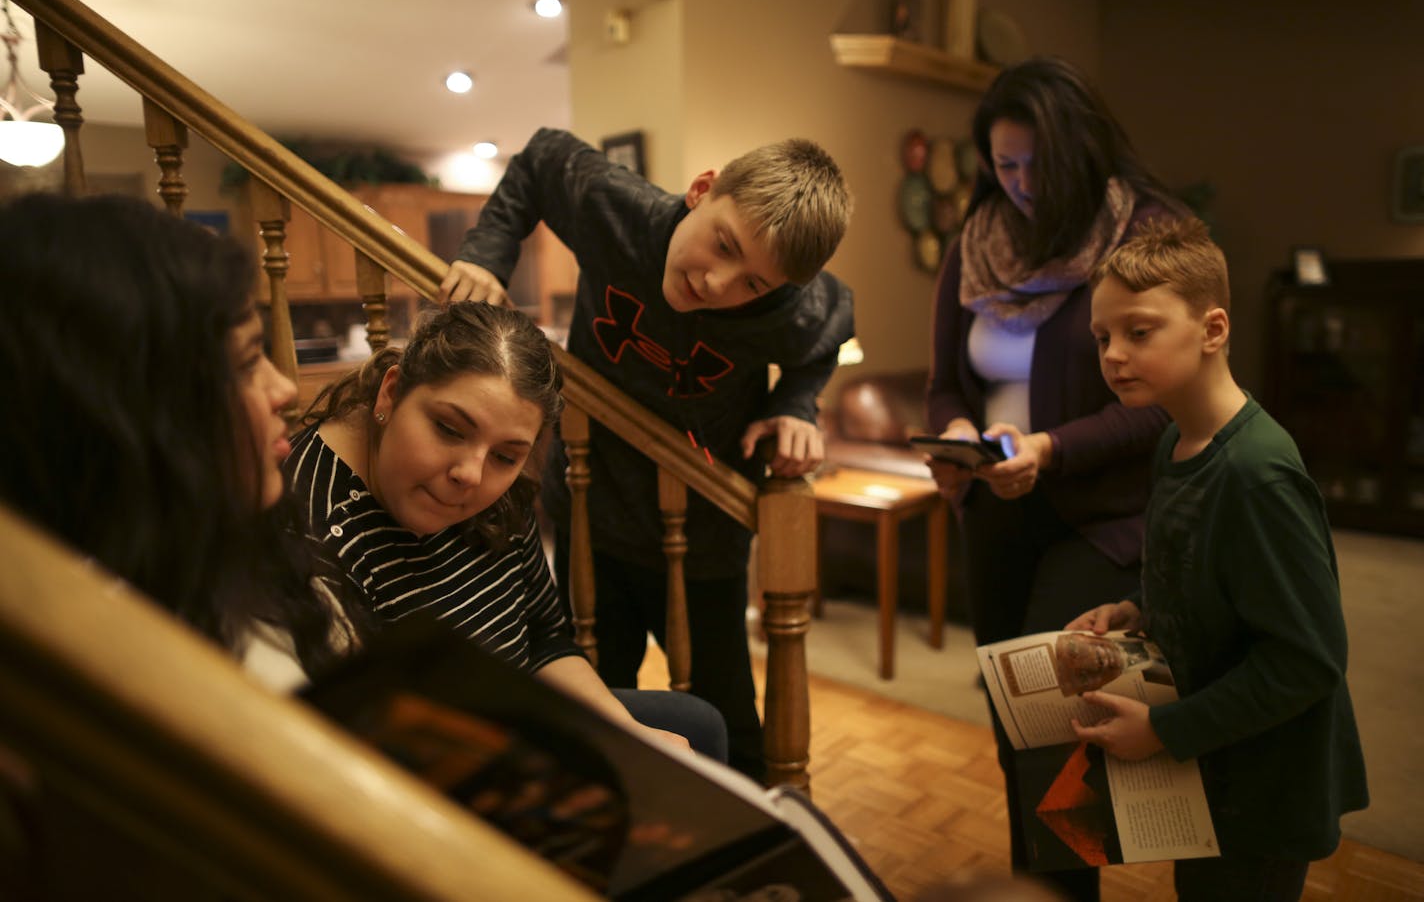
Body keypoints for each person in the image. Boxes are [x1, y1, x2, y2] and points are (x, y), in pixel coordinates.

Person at [441, 128, 854, 780]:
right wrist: (487, 254)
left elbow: (830, 331)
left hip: (706, 538)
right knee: (595, 707)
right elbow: (542, 160)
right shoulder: (615, 208)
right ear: (701, 191)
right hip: (590, 510)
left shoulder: (793, 304)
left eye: (752, 283)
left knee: (734, 727)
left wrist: (795, 406)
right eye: (723, 246)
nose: (719, 283)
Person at [924, 56, 1184, 900]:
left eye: (1038, 164)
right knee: (1012, 728)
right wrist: (961, 432)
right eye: (1005, 165)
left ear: (1082, 150)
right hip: (996, 511)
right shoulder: (978, 242)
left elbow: (1166, 401)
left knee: (1060, 733)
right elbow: (945, 380)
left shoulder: (1146, 233)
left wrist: (1049, 448)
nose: (1023, 185)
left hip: (1099, 520)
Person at [1067, 218, 1367, 901]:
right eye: (1103, 337)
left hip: (1264, 786)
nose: (1113, 354)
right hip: (1212, 766)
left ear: (1213, 330)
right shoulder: (1173, 442)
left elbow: (1308, 658)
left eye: (1138, 331)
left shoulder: (1258, 474)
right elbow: (1210, 585)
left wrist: (1165, 730)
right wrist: (1136, 613)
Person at [287, 300, 729, 761]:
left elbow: (543, 636)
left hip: (513, 721)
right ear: (390, 393)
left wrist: (624, 733)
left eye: (505, 456)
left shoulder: (500, 490)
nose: (471, 474)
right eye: (449, 429)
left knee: (697, 728)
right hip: (430, 772)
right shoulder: (313, 532)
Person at [0, 192, 371, 680]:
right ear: (131, 408)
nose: (283, 389)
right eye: (244, 364)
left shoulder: (264, 567)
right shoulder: (82, 664)